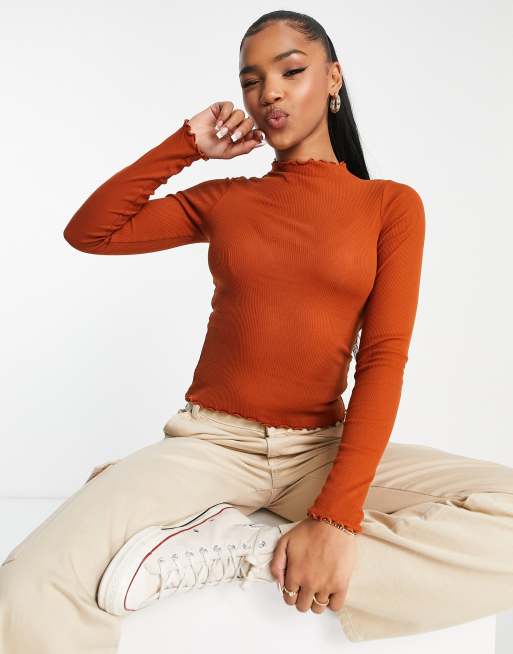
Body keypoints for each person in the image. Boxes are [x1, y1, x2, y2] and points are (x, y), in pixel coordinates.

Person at [2, 9, 513, 652]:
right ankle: (247, 537)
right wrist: (187, 145)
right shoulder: (229, 200)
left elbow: (383, 360)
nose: (269, 92)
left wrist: (335, 519)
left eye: (291, 71)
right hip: (211, 446)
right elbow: (91, 232)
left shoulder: (389, 205)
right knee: (28, 584)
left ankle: (251, 553)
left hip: (318, 453)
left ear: (333, 78)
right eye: (251, 81)